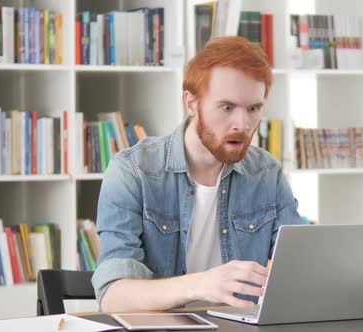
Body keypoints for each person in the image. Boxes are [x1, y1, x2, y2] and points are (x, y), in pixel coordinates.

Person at [91, 36, 302, 312]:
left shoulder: (266, 173)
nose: (243, 124)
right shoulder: (133, 171)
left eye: (253, 108)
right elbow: (113, 295)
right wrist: (202, 284)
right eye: (227, 107)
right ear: (191, 103)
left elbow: (300, 271)